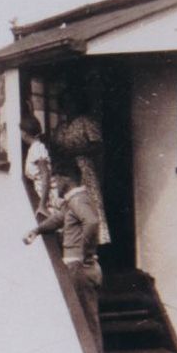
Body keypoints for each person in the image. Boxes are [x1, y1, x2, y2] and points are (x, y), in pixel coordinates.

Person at [23, 160, 104, 353]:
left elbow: (92, 221)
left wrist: (84, 252)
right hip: (77, 266)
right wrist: (37, 230)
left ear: (66, 179)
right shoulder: (72, 202)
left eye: (56, 180)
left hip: (80, 268)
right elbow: (59, 219)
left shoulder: (78, 200)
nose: (54, 184)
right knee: (83, 319)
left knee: (86, 321)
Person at [51, 89, 110, 245]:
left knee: (88, 203)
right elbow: (55, 146)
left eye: (71, 102)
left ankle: (92, 242)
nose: (68, 106)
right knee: (68, 204)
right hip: (66, 169)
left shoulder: (86, 122)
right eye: (65, 103)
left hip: (83, 168)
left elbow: (98, 146)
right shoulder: (61, 126)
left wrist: (76, 151)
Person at [20, 116, 55, 219]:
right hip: (41, 191)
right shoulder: (35, 147)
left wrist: (42, 204)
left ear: (24, 133)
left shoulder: (37, 149)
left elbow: (45, 175)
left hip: (47, 194)